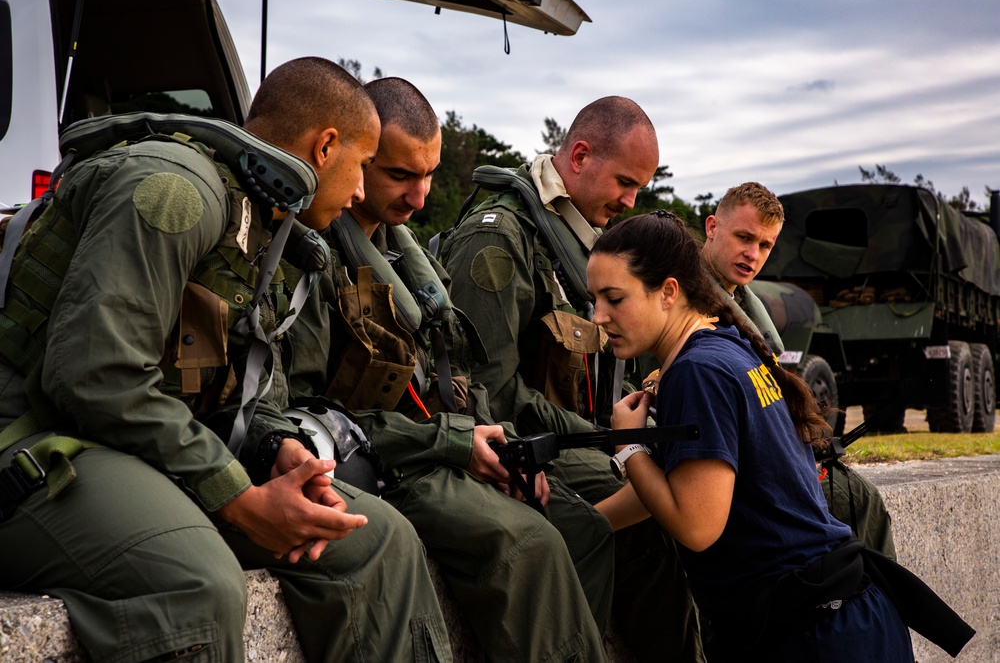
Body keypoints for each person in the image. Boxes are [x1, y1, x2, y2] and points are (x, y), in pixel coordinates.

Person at [0, 57, 452, 663]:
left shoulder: (263, 222)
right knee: (198, 584)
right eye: (365, 166)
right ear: (324, 147)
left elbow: (242, 390)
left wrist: (273, 448)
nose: (364, 191)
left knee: (378, 540)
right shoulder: (173, 192)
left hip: (132, 442)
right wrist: (239, 498)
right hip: (39, 438)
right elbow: (95, 376)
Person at [286, 76, 614, 662]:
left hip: (443, 443)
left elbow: (462, 375)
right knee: (528, 543)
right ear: (355, 160)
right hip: (387, 460)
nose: (419, 196)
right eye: (399, 175)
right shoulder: (314, 258)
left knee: (584, 528)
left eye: (430, 175)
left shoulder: (403, 260)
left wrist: (507, 448)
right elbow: (308, 414)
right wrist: (458, 444)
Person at [588, 211, 979, 661]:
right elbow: (690, 485)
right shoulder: (721, 347)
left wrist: (629, 446)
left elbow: (696, 524)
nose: (599, 316)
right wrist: (583, 525)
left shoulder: (699, 372)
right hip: (838, 618)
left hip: (817, 635)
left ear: (669, 292)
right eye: (594, 298)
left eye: (613, 298)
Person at [439, 97, 704, 663]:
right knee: (642, 515)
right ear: (579, 155)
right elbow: (491, 393)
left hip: (573, 438)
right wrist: (609, 439)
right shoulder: (501, 240)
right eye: (626, 182)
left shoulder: (583, 243)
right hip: (517, 441)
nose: (633, 201)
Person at [702, 181, 896, 559]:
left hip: (764, 457)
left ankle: (876, 612)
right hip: (736, 467)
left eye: (765, 245)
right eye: (743, 237)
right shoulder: (684, 296)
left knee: (858, 494)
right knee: (857, 499)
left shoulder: (740, 300)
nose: (752, 254)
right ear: (712, 227)